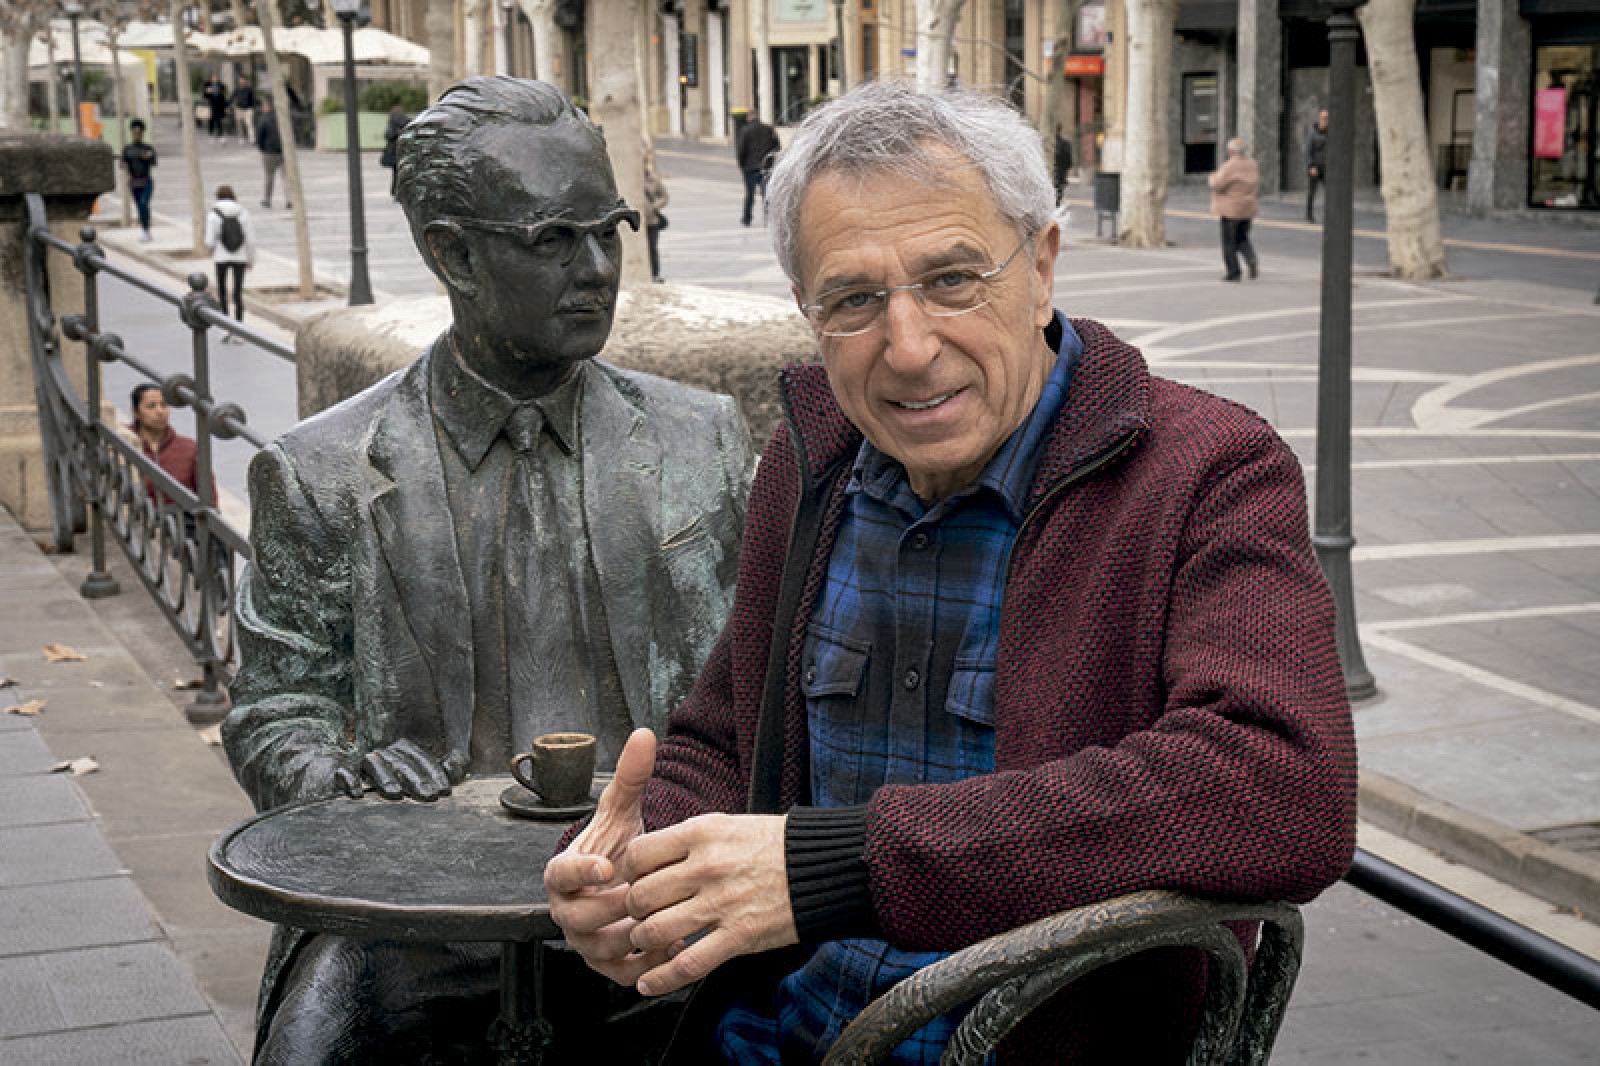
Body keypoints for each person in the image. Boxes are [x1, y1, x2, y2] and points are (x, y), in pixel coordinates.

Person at [546, 81, 1357, 1064]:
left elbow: (1282, 785)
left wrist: (838, 866)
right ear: (806, 313)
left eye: (952, 280)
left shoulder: (1204, 470)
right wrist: (640, 868)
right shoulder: (808, 463)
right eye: (853, 300)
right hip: (774, 1036)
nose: (910, 348)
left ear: (1043, 265)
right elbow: (724, 740)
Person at [222, 76, 753, 1064]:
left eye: (609, 231)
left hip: (657, 890)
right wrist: (335, 777)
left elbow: (759, 683)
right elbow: (271, 708)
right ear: (452, 253)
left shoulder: (702, 440)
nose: (597, 269)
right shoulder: (325, 472)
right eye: (555, 241)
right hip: (413, 923)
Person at [130, 384, 198, 502]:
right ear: (136, 412)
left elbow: (208, 499)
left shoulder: (189, 448)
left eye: (164, 405)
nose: (160, 411)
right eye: (151, 406)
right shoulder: (124, 441)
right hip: (135, 516)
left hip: (179, 517)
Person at [204, 184, 255, 337]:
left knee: (222, 291)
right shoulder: (243, 212)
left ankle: (225, 326)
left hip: (221, 257)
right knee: (238, 292)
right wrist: (250, 258)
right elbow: (250, 239)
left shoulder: (214, 214)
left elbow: (210, 241)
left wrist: (212, 248)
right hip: (240, 257)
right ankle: (239, 326)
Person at [1209, 137, 1260, 282]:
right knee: (1242, 237)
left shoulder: (1229, 166)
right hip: (1248, 206)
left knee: (1229, 241)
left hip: (1231, 208)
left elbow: (1217, 184)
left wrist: (1212, 177)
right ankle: (1251, 258)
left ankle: (1233, 272)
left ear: (1231, 151)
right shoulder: (1253, 164)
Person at [736, 112, 780, 227]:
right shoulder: (768, 129)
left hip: (750, 168)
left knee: (749, 195)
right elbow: (777, 146)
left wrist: (742, 165)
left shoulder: (745, 130)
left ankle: (747, 218)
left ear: (748, 118)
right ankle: (768, 219)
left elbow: (741, 150)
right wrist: (770, 161)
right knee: (766, 194)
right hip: (765, 167)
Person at [121, 118, 158, 242]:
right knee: (139, 206)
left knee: (143, 203)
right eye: (134, 132)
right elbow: (122, 163)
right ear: (131, 133)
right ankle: (144, 229)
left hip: (146, 180)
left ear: (142, 133)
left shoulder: (148, 148)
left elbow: (154, 161)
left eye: (139, 132)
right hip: (134, 182)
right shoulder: (127, 148)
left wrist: (146, 157)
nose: (137, 134)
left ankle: (146, 230)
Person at [254, 97, 288, 209]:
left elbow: (259, 136)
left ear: (267, 107)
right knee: (286, 177)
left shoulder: (263, 119)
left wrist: (261, 148)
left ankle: (267, 199)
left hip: (269, 151)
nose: (262, 108)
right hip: (284, 150)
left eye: (263, 106)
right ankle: (289, 200)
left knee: (269, 176)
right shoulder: (283, 117)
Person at [644, 146, 669, 283]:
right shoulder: (633, 180)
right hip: (638, 222)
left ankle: (655, 274)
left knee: (653, 248)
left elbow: (664, 197)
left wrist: (654, 206)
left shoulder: (653, 180)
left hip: (652, 220)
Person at [379, 103, 409, 199]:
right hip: (404, 150)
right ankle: (400, 191)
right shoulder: (407, 121)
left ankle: (395, 191)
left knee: (396, 173)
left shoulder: (391, 123)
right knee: (402, 173)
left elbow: (388, 135)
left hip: (394, 152)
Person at [1306, 107, 1329, 223]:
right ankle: (1309, 215)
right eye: (1323, 118)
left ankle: (1328, 216)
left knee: (1329, 193)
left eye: (1327, 118)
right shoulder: (1313, 134)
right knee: (1312, 192)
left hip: (1327, 168)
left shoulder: (1331, 133)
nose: (1325, 120)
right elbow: (1308, 151)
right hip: (1315, 167)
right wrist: (1311, 166)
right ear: (1319, 118)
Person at [232, 75, 256, 146]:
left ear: (245, 81)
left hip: (248, 108)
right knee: (239, 124)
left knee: (249, 123)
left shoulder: (249, 89)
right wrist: (227, 105)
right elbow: (232, 97)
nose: (241, 81)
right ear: (239, 81)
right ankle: (241, 138)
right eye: (240, 80)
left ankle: (252, 138)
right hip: (239, 108)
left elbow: (253, 98)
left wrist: (253, 107)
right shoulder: (237, 89)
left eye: (243, 80)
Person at [1053, 124, 1074, 204]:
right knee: (1058, 192)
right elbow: (1069, 161)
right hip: (1061, 172)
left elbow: (1069, 161)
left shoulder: (1048, 143)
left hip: (1057, 171)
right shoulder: (1065, 144)